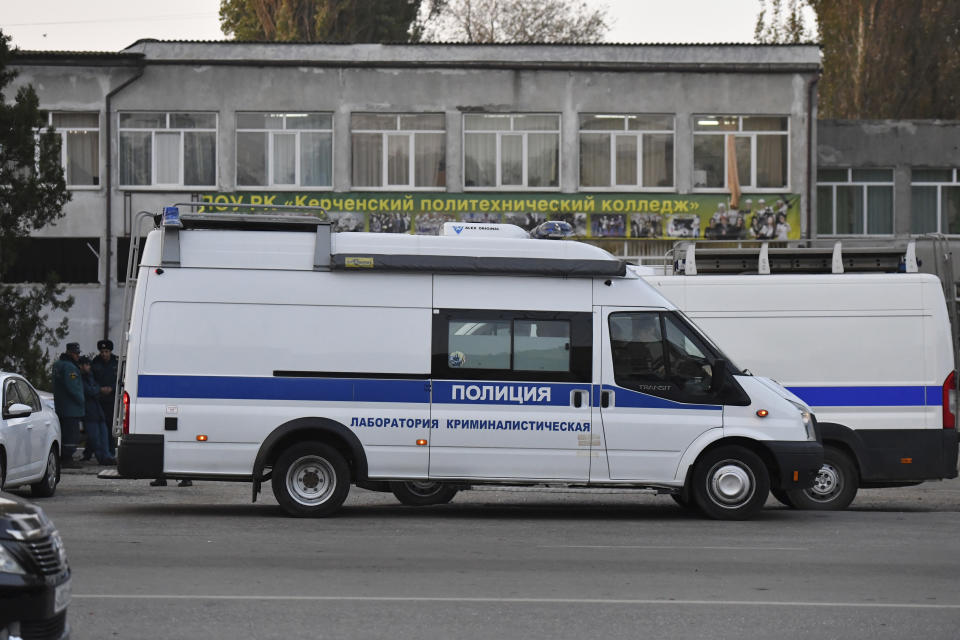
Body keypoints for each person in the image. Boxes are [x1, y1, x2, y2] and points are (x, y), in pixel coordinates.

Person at [78, 356, 116, 465]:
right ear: (81, 366)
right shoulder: (80, 377)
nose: (89, 367)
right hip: (89, 411)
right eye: (87, 365)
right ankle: (102, 458)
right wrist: (98, 390)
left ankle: (107, 456)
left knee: (103, 435)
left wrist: (97, 390)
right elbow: (89, 390)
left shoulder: (90, 376)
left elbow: (94, 387)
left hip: (97, 410)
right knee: (95, 438)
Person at [52, 343, 84, 469]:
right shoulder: (70, 367)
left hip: (61, 406)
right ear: (70, 353)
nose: (78, 356)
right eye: (76, 353)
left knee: (63, 434)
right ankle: (67, 458)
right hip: (71, 408)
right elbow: (73, 388)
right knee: (71, 435)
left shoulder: (57, 364)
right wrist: (82, 400)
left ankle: (63, 457)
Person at [91, 339, 119, 458]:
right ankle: (95, 452)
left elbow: (121, 378)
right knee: (96, 426)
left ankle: (111, 451)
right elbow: (91, 378)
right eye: (102, 351)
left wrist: (112, 388)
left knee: (110, 426)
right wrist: (99, 389)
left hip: (112, 400)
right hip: (99, 399)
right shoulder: (95, 362)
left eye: (106, 351)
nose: (104, 354)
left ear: (110, 351)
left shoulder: (116, 362)